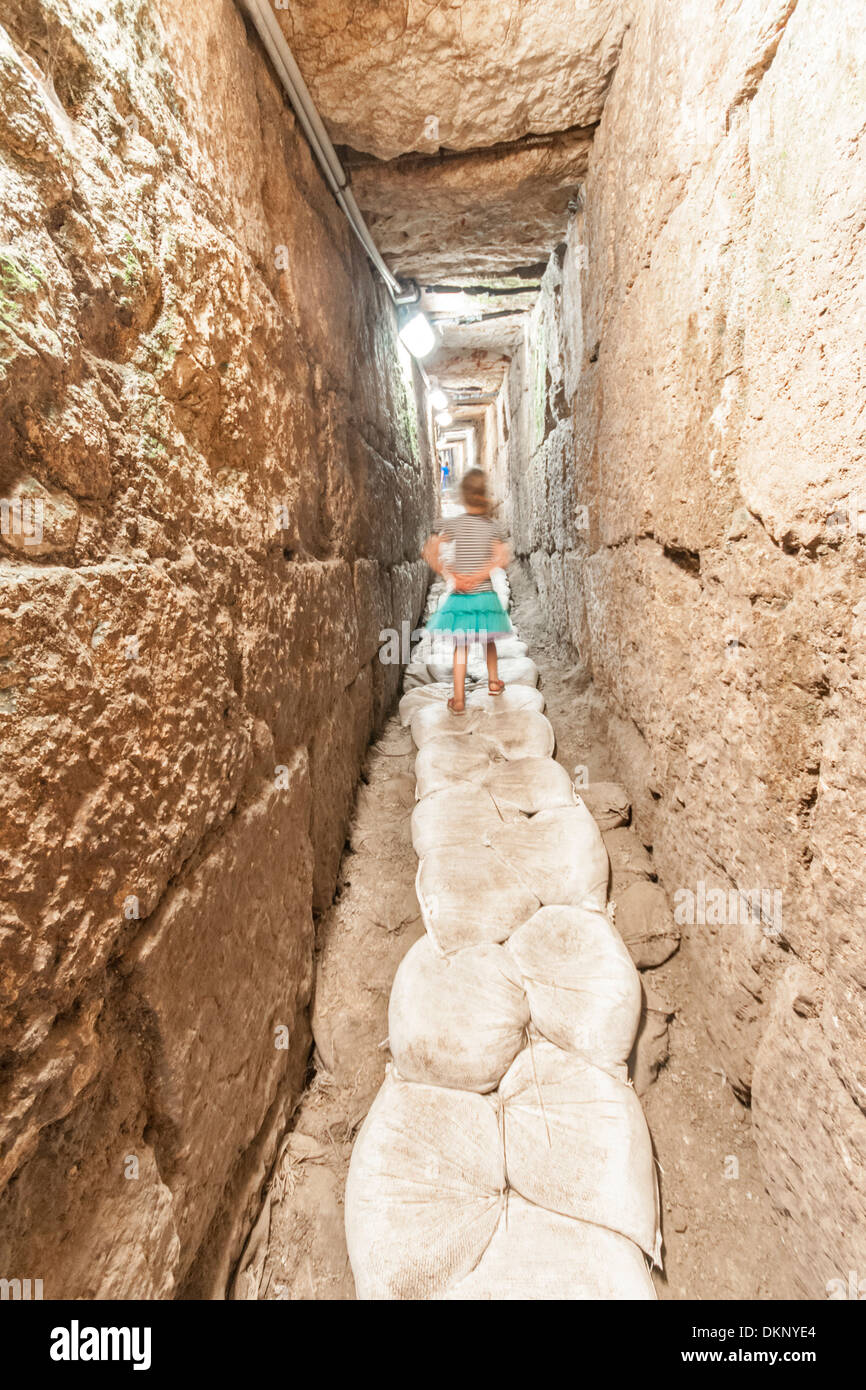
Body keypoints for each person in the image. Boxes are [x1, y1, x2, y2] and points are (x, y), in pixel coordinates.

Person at [421, 468, 512, 715]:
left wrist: (450, 575)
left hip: (460, 597)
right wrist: (479, 576)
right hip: (484, 595)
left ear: (462, 496)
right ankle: (494, 682)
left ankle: (459, 699)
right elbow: (502, 558)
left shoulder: (454, 524)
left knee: (460, 646)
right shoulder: (493, 527)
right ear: (485, 495)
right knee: (488, 640)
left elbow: (429, 550)